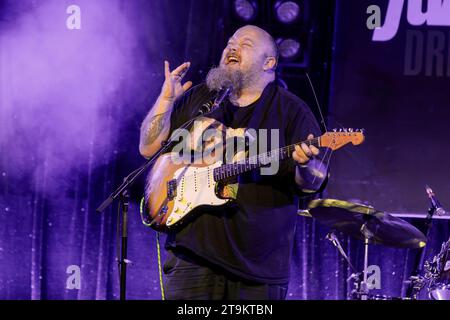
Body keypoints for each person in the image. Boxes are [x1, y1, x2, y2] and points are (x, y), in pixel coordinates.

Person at [139, 25, 328, 300]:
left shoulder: (291, 111)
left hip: (256, 272)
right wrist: (167, 99)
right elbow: (148, 148)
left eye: (246, 44)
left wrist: (304, 164)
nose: (233, 47)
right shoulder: (200, 98)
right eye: (230, 42)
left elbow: (313, 181)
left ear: (269, 62)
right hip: (191, 259)